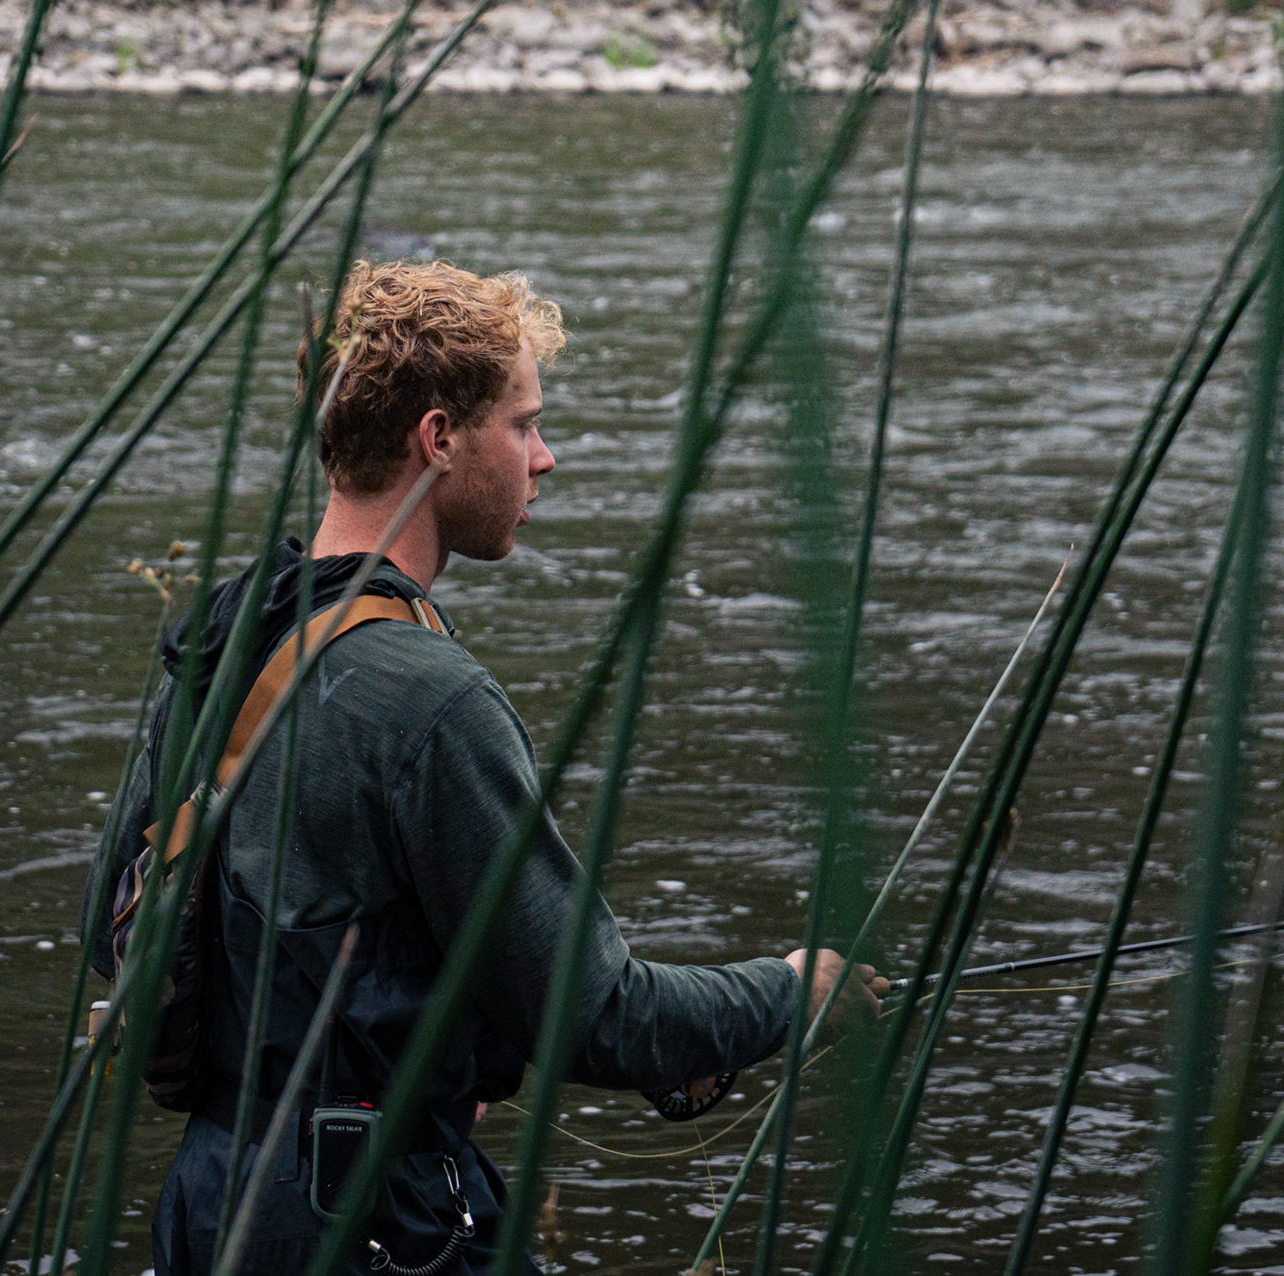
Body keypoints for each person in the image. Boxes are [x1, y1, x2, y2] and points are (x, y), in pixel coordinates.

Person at [86, 260, 885, 1276]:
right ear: (438, 439)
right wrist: (787, 993)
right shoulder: (431, 697)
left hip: (207, 1207)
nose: (544, 459)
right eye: (523, 424)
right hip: (380, 1223)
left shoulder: (221, 639)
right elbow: (597, 1015)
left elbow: (108, 932)